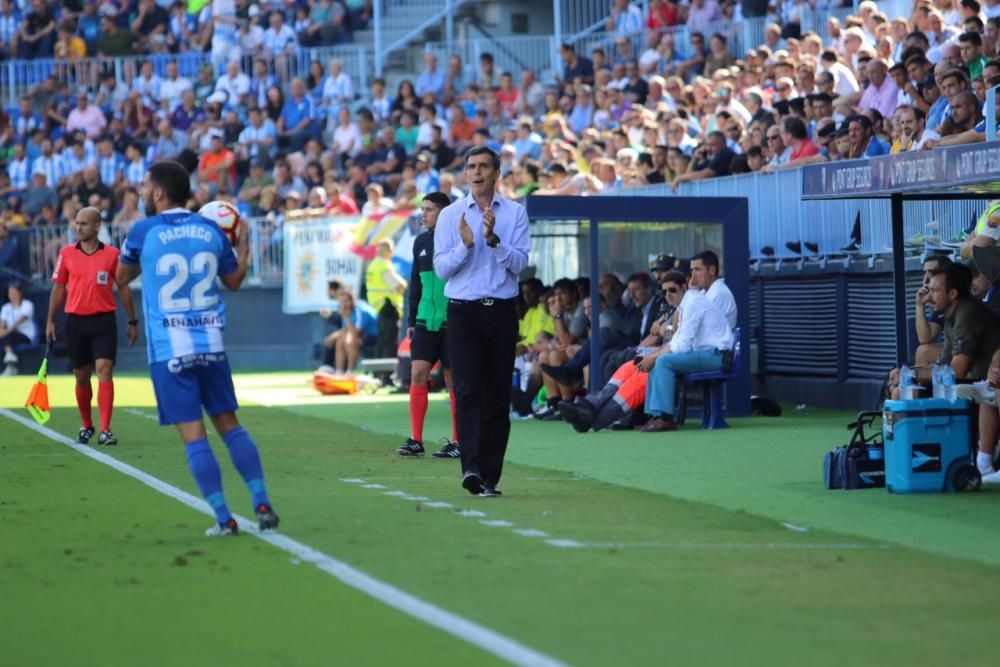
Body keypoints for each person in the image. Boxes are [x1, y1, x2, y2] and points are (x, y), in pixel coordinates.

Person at [115, 161, 279, 536]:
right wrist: (245, 244)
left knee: (194, 436)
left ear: (158, 192)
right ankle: (262, 500)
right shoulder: (209, 229)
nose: (141, 192)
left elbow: (122, 277)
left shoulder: (143, 230)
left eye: (144, 186)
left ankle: (224, 518)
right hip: (211, 344)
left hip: (169, 349)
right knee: (231, 427)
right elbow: (234, 280)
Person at [434, 147, 529, 497]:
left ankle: (491, 475)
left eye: (483, 166)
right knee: (467, 390)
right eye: (471, 166)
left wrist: (493, 242)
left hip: (502, 310)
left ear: (496, 172)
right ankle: (471, 468)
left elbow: (520, 264)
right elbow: (443, 270)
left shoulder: (515, 213)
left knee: (496, 396)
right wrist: (466, 246)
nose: (476, 172)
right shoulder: (450, 215)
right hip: (463, 311)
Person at [46, 207, 138, 446]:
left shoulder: (112, 254)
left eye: (84, 223)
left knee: (104, 369)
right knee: (81, 376)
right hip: (75, 321)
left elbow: (124, 287)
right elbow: (58, 288)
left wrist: (132, 321)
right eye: (77, 223)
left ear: (97, 226)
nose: (78, 227)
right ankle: (87, 424)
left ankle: (106, 429)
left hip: (103, 320)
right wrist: (50, 320)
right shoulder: (66, 253)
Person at [397, 192, 460, 459]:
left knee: (452, 381)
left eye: (429, 209)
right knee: (418, 374)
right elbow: (416, 284)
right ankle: (416, 440)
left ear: (444, 213)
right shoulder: (420, 241)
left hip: (453, 322)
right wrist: (411, 320)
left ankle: (459, 442)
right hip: (424, 322)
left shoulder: (459, 240)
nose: (423, 214)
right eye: (422, 209)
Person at [1, 283, 37, 376]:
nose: (11, 295)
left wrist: (3, 333)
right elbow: (2, 324)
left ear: (19, 293)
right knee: (6, 336)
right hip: (9, 335)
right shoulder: (5, 307)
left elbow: (16, 323)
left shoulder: (28, 305)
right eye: (9, 293)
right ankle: (10, 364)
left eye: (13, 292)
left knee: (7, 336)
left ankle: (9, 359)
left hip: (26, 335)